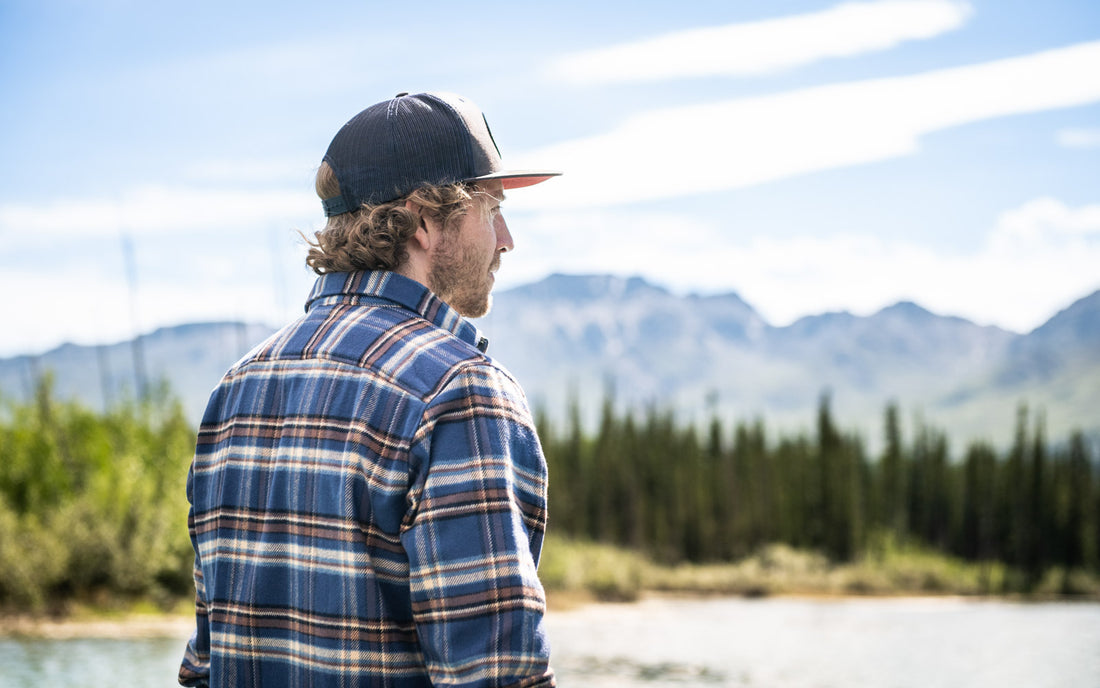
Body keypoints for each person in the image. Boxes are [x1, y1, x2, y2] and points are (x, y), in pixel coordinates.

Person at [178, 92, 560, 688]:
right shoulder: (459, 391)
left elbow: (206, 665)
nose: (507, 239)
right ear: (426, 220)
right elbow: (494, 676)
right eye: (491, 210)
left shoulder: (236, 389)